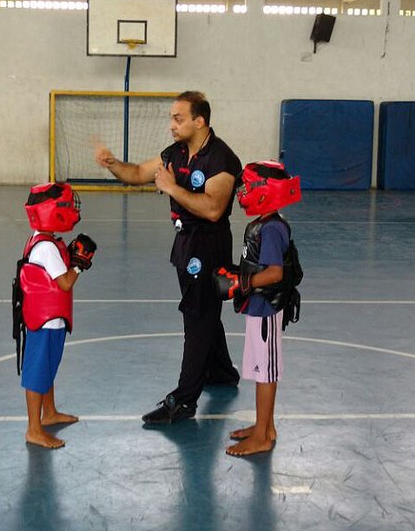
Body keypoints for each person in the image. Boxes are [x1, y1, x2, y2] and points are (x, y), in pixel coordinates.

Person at [94, 91, 241, 424]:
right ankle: (221, 372)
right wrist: (113, 163)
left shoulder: (222, 159)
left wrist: (173, 189)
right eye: (171, 118)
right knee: (203, 309)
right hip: (185, 244)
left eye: (178, 119)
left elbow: (215, 209)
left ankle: (184, 401)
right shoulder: (174, 154)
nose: (171, 125)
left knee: (198, 317)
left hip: (209, 245)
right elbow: (136, 174)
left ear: (199, 121)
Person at [213, 160, 302, 456]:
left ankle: (262, 436)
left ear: (266, 191)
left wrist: (241, 283)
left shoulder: (273, 228)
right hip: (258, 307)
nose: (243, 192)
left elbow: (275, 273)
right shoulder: (263, 224)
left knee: (266, 373)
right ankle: (266, 426)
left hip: (267, 311)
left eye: (249, 187)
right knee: (261, 371)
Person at [13, 182, 96, 448]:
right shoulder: (47, 247)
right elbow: (65, 283)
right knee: (38, 371)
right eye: (68, 206)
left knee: (47, 366)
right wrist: (79, 265)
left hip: (49, 319)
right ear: (52, 210)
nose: (72, 210)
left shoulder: (42, 239)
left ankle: (48, 413)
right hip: (45, 321)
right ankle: (33, 429)